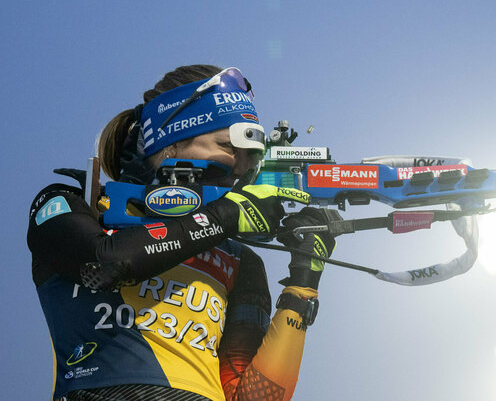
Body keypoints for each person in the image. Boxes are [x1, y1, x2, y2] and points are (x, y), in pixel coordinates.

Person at [27, 65, 336, 401]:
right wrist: (227, 215)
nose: (243, 167)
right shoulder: (76, 204)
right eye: (230, 146)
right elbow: (102, 263)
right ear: (172, 139)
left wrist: (303, 283)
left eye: (252, 157)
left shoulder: (240, 259)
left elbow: (253, 397)